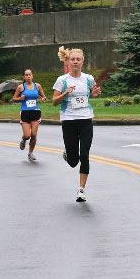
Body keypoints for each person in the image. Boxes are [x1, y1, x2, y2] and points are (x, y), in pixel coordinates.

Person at [52, 48, 101, 202]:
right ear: (68, 61)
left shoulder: (88, 78)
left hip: (86, 119)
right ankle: (68, 154)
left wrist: (94, 94)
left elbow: (92, 93)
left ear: (82, 61)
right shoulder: (62, 80)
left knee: (85, 154)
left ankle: (81, 190)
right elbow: (54, 102)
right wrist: (65, 93)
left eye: (78, 59)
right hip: (69, 121)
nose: (75, 62)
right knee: (73, 161)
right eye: (72, 59)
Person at [12, 69, 47, 161]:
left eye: (30, 75)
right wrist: (20, 98)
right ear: (24, 77)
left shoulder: (37, 86)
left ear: (32, 76)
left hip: (35, 111)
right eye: (26, 75)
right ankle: (23, 140)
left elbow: (44, 96)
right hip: (25, 112)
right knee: (27, 135)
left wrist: (43, 99)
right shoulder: (21, 87)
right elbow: (14, 99)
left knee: (34, 135)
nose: (28, 76)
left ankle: (30, 153)